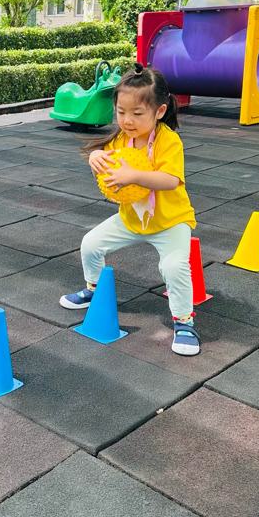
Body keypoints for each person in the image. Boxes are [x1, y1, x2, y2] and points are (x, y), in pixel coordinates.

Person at [60, 62, 199, 356]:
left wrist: (134, 176)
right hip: (132, 218)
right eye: (121, 112)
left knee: (174, 267)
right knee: (91, 244)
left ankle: (184, 322)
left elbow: (170, 180)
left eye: (137, 113)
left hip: (170, 222)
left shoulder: (168, 141)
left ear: (159, 111)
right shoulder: (122, 138)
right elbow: (107, 162)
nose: (127, 120)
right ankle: (93, 289)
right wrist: (95, 157)